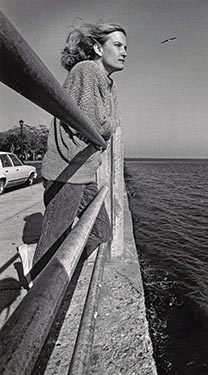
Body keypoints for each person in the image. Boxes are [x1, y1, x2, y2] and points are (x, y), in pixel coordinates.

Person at [17, 21, 127, 289]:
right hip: (66, 170)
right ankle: (41, 287)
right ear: (98, 48)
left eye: (125, 47)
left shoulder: (108, 83)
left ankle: (37, 259)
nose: (124, 52)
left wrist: (107, 127)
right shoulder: (87, 71)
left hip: (84, 171)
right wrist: (108, 126)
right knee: (54, 239)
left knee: (100, 230)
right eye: (117, 45)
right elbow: (98, 124)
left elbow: (104, 128)